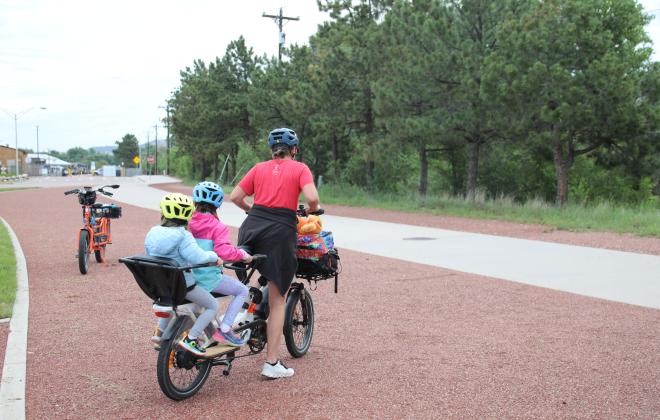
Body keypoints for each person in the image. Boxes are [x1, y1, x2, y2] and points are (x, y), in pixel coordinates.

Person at [230, 127, 320, 379]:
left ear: (272, 150)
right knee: (278, 299)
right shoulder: (300, 168)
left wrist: (252, 211)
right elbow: (313, 197)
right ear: (294, 149)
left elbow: (235, 196)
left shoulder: (258, 168)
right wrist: (311, 209)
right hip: (280, 231)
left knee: (251, 270)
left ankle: (244, 314)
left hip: (251, 228)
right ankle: (271, 364)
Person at [144, 192, 220, 356]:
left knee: (170, 303)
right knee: (212, 305)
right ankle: (192, 338)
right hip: (183, 285)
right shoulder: (183, 236)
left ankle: (159, 334)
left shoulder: (152, 232)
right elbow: (198, 258)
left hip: (160, 285)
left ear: (164, 212)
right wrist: (214, 257)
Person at [189, 181, 253, 347]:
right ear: (217, 204)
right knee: (242, 290)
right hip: (207, 277)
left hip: (188, 276)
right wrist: (243, 255)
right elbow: (224, 252)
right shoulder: (218, 226)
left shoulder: (188, 221)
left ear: (195, 200)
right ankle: (225, 329)